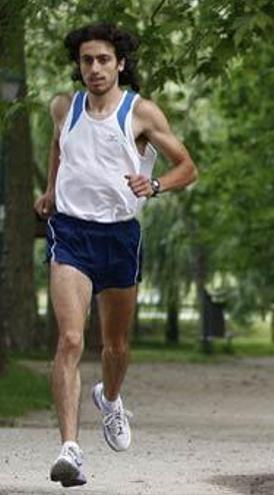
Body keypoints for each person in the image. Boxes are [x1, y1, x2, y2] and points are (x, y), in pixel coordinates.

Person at [33, 23, 198, 488]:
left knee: (116, 347)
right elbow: (57, 145)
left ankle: (111, 396)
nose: (95, 69)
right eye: (87, 60)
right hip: (69, 234)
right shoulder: (63, 107)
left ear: (120, 63)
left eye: (104, 60)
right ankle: (70, 449)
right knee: (69, 339)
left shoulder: (141, 112)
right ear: (79, 65)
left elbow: (188, 166)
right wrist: (50, 190)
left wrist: (157, 184)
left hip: (120, 236)